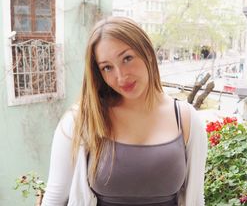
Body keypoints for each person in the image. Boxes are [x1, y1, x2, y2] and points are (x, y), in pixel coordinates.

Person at [41, 16, 207, 206]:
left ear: (148, 52)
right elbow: (54, 198)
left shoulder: (186, 119)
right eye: (107, 67)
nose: (121, 76)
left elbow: (196, 199)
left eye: (127, 58)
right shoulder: (82, 120)